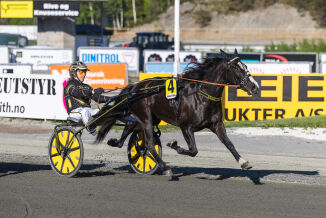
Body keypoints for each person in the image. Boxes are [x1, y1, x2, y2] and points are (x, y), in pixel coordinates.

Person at [64, 61, 110, 135]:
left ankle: (102, 130)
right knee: (84, 111)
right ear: (74, 73)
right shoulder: (69, 86)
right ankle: (90, 128)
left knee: (101, 111)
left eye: (85, 72)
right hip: (75, 113)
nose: (84, 74)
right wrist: (92, 91)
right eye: (81, 72)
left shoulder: (87, 86)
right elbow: (78, 92)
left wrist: (112, 99)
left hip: (87, 112)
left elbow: (97, 98)